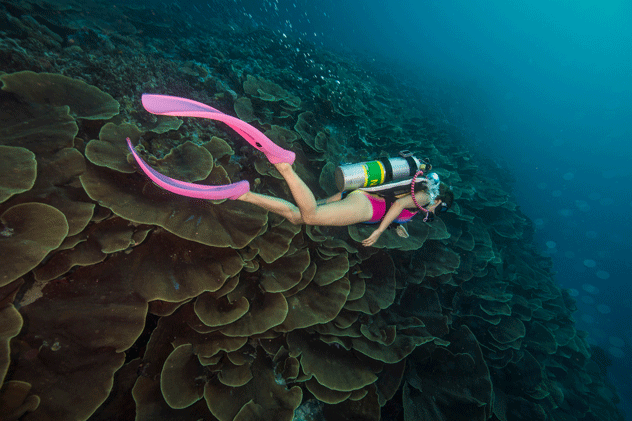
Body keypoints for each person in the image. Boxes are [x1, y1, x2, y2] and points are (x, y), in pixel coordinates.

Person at [237, 162, 454, 246]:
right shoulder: (426, 197)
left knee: (297, 217)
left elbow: (398, 205)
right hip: (364, 207)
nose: (434, 212)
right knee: (311, 216)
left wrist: (396, 226)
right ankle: (286, 168)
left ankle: (245, 195)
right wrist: (379, 231)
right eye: (439, 209)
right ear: (439, 200)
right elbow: (397, 206)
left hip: (360, 198)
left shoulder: (421, 198)